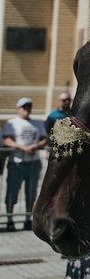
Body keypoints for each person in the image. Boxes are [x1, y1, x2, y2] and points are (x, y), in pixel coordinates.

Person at [3, 97, 47, 231]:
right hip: (16, 162)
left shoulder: (37, 123)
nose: (27, 109)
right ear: (18, 109)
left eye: (29, 107)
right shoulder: (12, 123)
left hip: (33, 163)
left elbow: (45, 139)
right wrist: (22, 147)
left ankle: (28, 218)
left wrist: (35, 146)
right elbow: (7, 141)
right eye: (24, 107)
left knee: (31, 192)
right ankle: (9, 219)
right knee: (12, 192)